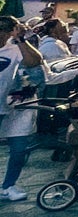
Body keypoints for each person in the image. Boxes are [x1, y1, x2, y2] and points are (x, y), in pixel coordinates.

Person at [0, 14, 45, 201]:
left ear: (11, 31)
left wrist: (20, 40)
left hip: (15, 105)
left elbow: (35, 61)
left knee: (18, 149)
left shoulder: (15, 49)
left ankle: (8, 186)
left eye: (2, 30)